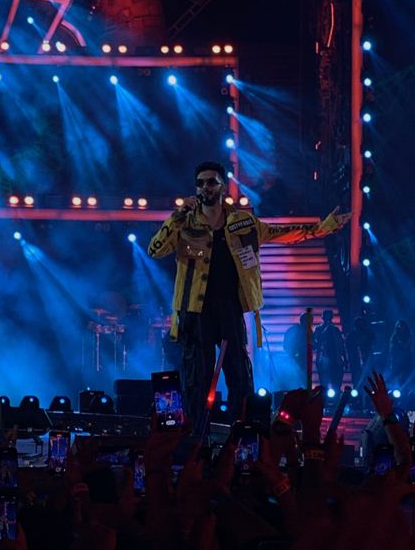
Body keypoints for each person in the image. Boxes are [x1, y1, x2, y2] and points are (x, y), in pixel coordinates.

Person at [148, 161, 351, 431]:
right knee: (197, 374)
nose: (205, 187)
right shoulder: (184, 223)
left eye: (211, 181)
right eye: (200, 183)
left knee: (239, 371)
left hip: (229, 306)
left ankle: (241, 431)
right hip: (194, 310)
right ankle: (196, 432)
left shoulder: (241, 222)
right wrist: (176, 216)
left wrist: (322, 228)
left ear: (221, 186)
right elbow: (155, 250)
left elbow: (282, 234)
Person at [313, 309, 347, 391]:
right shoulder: (319, 329)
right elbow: (315, 344)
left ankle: (336, 397)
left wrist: (345, 359)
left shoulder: (335, 330)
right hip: (323, 359)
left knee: (336, 381)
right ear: (323, 317)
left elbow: (341, 345)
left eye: (330, 317)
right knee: (324, 382)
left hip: (335, 359)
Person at [346, 313, 374, 388]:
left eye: (361, 324)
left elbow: (372, 346)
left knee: (368, 377)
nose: (360, 326)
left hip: (367, 360)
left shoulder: (369, 334)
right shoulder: (351, 335)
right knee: (356, 378)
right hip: (356, 361)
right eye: (358, 324)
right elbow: (348, 348)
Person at [387, 318, 414, 389]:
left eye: (402, 326)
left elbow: (406, 346)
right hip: (396, 360)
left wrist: (400, 341)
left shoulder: (408, 336)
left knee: (406, 376)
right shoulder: (394, 337)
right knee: (396, 376)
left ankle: (406, 390)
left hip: (406, 360)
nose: (400, 327)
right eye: (399, 326)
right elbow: (391, 349)